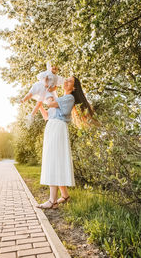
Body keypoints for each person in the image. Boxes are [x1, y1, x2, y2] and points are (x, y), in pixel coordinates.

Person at [36, 76, 94, 209]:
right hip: (51, 126)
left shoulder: (69, 98)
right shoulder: (60, 98)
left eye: (69, 81)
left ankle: (52, 201)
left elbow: (50, 103)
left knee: (54, 160)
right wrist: (39, 105)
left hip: (58, 128)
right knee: (55, 160)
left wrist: (46, 90)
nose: (65, 82)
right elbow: (47, 116)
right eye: (66, 80)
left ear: (74, 87)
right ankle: (65, 195)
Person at [20, 63, 64, 127]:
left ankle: (32, 115)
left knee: (39, 102)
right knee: (31, 93)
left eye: (56, 68)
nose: (54, 69)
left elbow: (56, 86)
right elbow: (44, 79)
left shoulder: (57, 78)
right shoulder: (48, 73)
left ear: (57, 70)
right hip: (41, 86)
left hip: (46, 91)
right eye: (53, 67)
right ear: (50, 68)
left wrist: (52, 89)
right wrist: (46, 83)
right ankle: (23, 99)